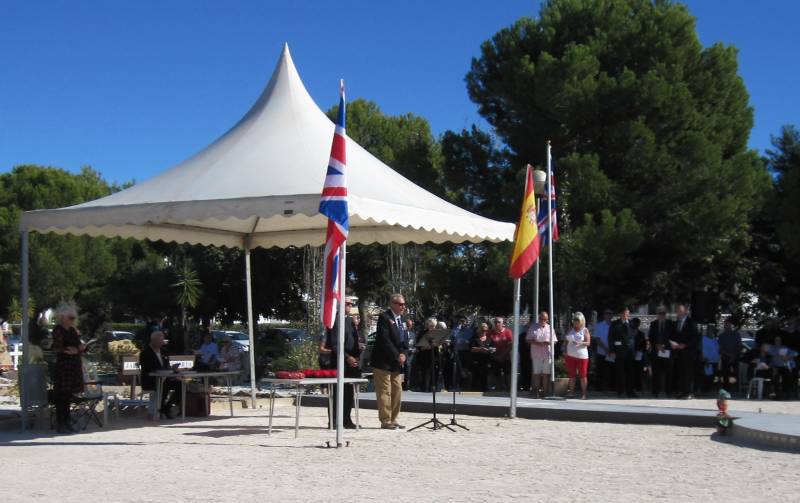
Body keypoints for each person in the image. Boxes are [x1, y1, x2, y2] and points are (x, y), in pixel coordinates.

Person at [371, 293, 409, 430]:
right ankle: (386, 420)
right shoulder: (384, 317)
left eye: (404, 304)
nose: (403, 306)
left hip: (396, 363)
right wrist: (396, 354)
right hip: (383, 361)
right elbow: (384, 339)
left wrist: (404, 354)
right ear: (392, 304)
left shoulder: (402, 320)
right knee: (384, 391)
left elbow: (406, 339)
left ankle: (394, 418)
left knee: (397, 390)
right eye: (400, 304)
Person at [322, 298, 360, 428]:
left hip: (351, 363)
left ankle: (346, 420)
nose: (349, 306)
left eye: (351, 304)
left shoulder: (350, 321)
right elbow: (334, 344)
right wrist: (347, 357)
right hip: (338, 360)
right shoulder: (334, 320)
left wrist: (356, 356)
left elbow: (354, 341)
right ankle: (333, 421)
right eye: (347, 303)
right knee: (336, 392)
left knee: (349, 392)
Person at [52, 303, 85, 433]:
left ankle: (67, 422)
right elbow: (57, 347)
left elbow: (79, 346)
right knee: (62, 395)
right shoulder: (58, 330)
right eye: (70, 317)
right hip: (64, 365)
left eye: (73, 318)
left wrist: (78, 349)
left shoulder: (73, 331)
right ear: (63, 317)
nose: (72, 320)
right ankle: (61, 423)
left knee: (69, 395)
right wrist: (68, 350)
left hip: (74, 364)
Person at [139, 330, 181, 419]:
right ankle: (160, 409)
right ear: (153, 341)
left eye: (162, 341)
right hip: (151, 380)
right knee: (163, 386)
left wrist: (172, 369)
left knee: (180, 384)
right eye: (159, 342)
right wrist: (162, 371)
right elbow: (149, 369)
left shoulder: (164, 351)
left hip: (164, 379)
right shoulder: (145, 353)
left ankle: (166, 407)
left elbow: (166, 366)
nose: (161, 344)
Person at [608, 308, 637, 398]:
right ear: (620, 314)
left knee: (630, 373)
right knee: (620, 373)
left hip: (630, 352)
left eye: (627, 314)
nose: (625, 316)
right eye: (624, 314)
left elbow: (634, 336)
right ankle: (620, 392)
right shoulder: (615, 324)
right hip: (619, 352)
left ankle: (630, 392)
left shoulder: (632, 323)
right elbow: (611, 338)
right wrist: (612, 350)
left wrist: (634, 349)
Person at [526, 311, 555, 398]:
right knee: (537, 374)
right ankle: (537, 392)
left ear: (547, 320)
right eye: (541, 319)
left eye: (545, 319)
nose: (543, 320)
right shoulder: (533, 327)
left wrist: (548, 342)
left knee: (546, 374)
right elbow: (528, 339)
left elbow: (554, 340)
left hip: (547, 354)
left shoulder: (550, 328)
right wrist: (538, 343)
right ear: (539, 318)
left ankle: (545, 392)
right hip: (536, 354)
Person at [672, 304, 699, 399]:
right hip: (679, 353)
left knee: (689, 374)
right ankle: (682, 392)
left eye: (680, 311)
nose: (678, 313)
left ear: (685, 312)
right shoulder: (676, 323)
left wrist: (686, 345)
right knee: (681, 373)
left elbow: (695, 338)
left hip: (689, 353)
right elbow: (674, 336)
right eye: (677, 311)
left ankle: (689, 393)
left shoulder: (691, 322)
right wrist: (673, 344)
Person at [648, 307, 674, 397]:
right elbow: (650, 337)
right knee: (656, 372)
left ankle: (669, 391)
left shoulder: (670, 324)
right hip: (656, 351)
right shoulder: (653, 324)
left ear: (665, 314)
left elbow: (673, 336)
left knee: (669, 372)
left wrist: (665, 345)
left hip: (667, 351)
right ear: (657, 315)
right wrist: (656, 345)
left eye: (663, 313)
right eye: (659, 313)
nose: (661, 315)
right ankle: (655, 391)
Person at [565, 312, 591, 399]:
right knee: (571, 375)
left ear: (581, 321)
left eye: (577, 321)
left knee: (582, 375)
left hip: (582, 356)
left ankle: (584, 394)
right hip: (570, 355)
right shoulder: (571, 328)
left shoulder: (585, 330)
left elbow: (588, 343)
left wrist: (580, 343)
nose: (575, 322)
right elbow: (566, 340)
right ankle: (571, 393)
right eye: (574, 320)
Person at [414, 318, 438, 392]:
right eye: (431, 326)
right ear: (427, 325)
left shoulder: (437, 333)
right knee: (426, 374)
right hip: (425, 356)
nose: (433, 327)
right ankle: (425, 389)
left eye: (434, 326)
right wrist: (425, 347)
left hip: (435, 356)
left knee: (434, 373)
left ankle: (433, 389)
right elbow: (418, 346)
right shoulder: (422, 333)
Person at [489, 317, 513, 390]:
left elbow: (511, 345)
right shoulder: (491, 333)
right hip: (495, 357)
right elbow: (488, 345)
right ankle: (498, 388)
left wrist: (502, 355)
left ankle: (509, 388)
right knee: (496, 373)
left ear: (503, 323)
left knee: (508, 373)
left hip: (506, 357)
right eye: (495, 322)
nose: (497, 323)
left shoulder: (507, 332)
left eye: (499, 322)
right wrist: (495, 356)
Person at [717, 319, 742, 390]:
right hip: (725, 357)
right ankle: (726, 387)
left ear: (731, 325)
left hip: (736, 356)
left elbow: (739, 346)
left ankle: (737, 387)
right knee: (725, 373)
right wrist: (729, 355)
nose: (727, 326)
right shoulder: (721, 336)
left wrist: (734, 355)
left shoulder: (737, 335)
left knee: (736, 372)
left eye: (728, 324)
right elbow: (720, 349)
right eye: (725, 325)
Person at [470, 322, 494, 391]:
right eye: (482, 329)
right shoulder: (475, 338)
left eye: (485, 329)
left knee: (485, 377)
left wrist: (491, 350)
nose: (484, 331)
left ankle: (485, 390)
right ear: (479, 330)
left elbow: (492, 348)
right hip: (476, 361)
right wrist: (480, 349)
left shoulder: (489, 339)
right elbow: (471, 349)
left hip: (486, 361)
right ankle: (473, 391)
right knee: (475, 377)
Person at [593, 309, 613, 391]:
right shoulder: (599, 325)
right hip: (601, 351)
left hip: (611, 352)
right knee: (600, 370)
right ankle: (599, 387)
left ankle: (611, 387)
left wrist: (610, 350)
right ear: (604, 315)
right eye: (606, 314)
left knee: (611, 370)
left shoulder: (613, 325)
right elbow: (597, 339)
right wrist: (605, 349)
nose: (608, 316)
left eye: (610, 314)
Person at [701, 326, 720, 394]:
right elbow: (703, 349)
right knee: (708, 376)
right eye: (710, 330)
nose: (711, 332)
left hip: (715, 360)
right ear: (707, 331)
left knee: (713, 376)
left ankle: (711, 389)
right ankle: (705, 390)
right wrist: (705, 359)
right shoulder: (703, 339)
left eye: (712, 330)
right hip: (707, 360)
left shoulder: (715, 339)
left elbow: (717, 349)